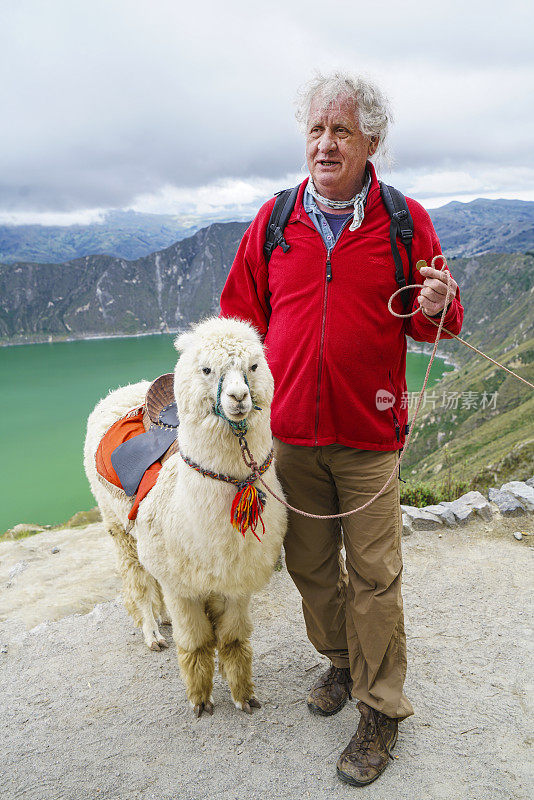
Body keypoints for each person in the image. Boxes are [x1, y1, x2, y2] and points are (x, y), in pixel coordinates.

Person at [219, 71, 463, 786]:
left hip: (369, 436)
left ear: (371, 143)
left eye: (342, 132)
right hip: (289, 435)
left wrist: (442, 300)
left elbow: (434, 324)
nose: (326, 144)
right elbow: (240, 323)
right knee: (312, 567)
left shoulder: (405, 221)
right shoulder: (273, 224)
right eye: (317, 131)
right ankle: (339, 662)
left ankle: (380, 708)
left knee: (376, 576)